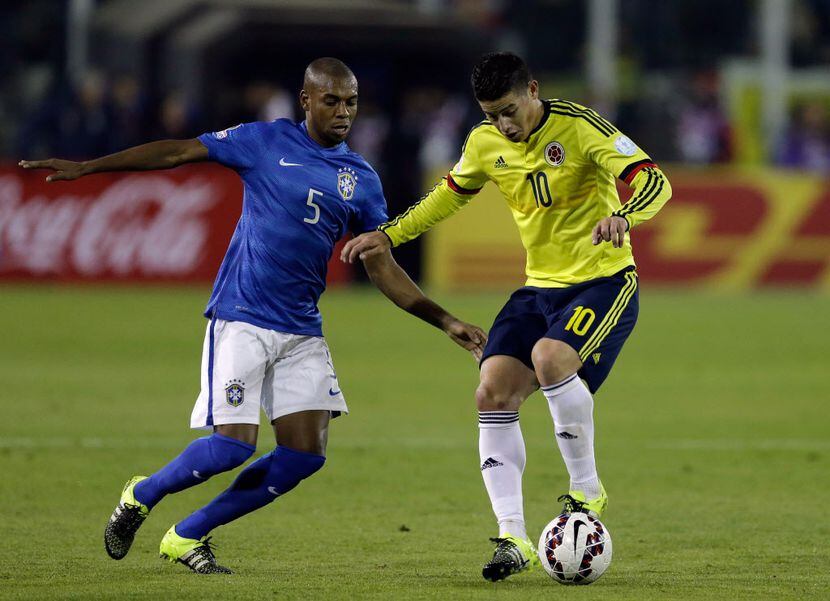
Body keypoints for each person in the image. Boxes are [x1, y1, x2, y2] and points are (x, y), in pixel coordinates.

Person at [20, 58, 486, 574]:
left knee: (304, 456)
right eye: (331, 101)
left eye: (351, 102)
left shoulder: (361, 177)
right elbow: (177, 151)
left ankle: (186, 535)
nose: (343, 112)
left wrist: (445, 320)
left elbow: (381, 263)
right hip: (242, 315)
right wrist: (89, 167)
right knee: (230, 448)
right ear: (305, 100)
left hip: (302, 328)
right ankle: (141, 494)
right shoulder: (263, 141)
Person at [342, 52, 672, 582]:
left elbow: (655, 181)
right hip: (538, 288)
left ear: (534, 90)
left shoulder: (582, 128)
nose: (504, 124)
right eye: (492, 113)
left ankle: (587, 491)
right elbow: (445, 199)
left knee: (549, 356)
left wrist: (623, 215)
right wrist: (390, 234)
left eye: (510, 110)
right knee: (491, 390)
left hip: (604, 281)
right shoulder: (484, 142)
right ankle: (513, 536)